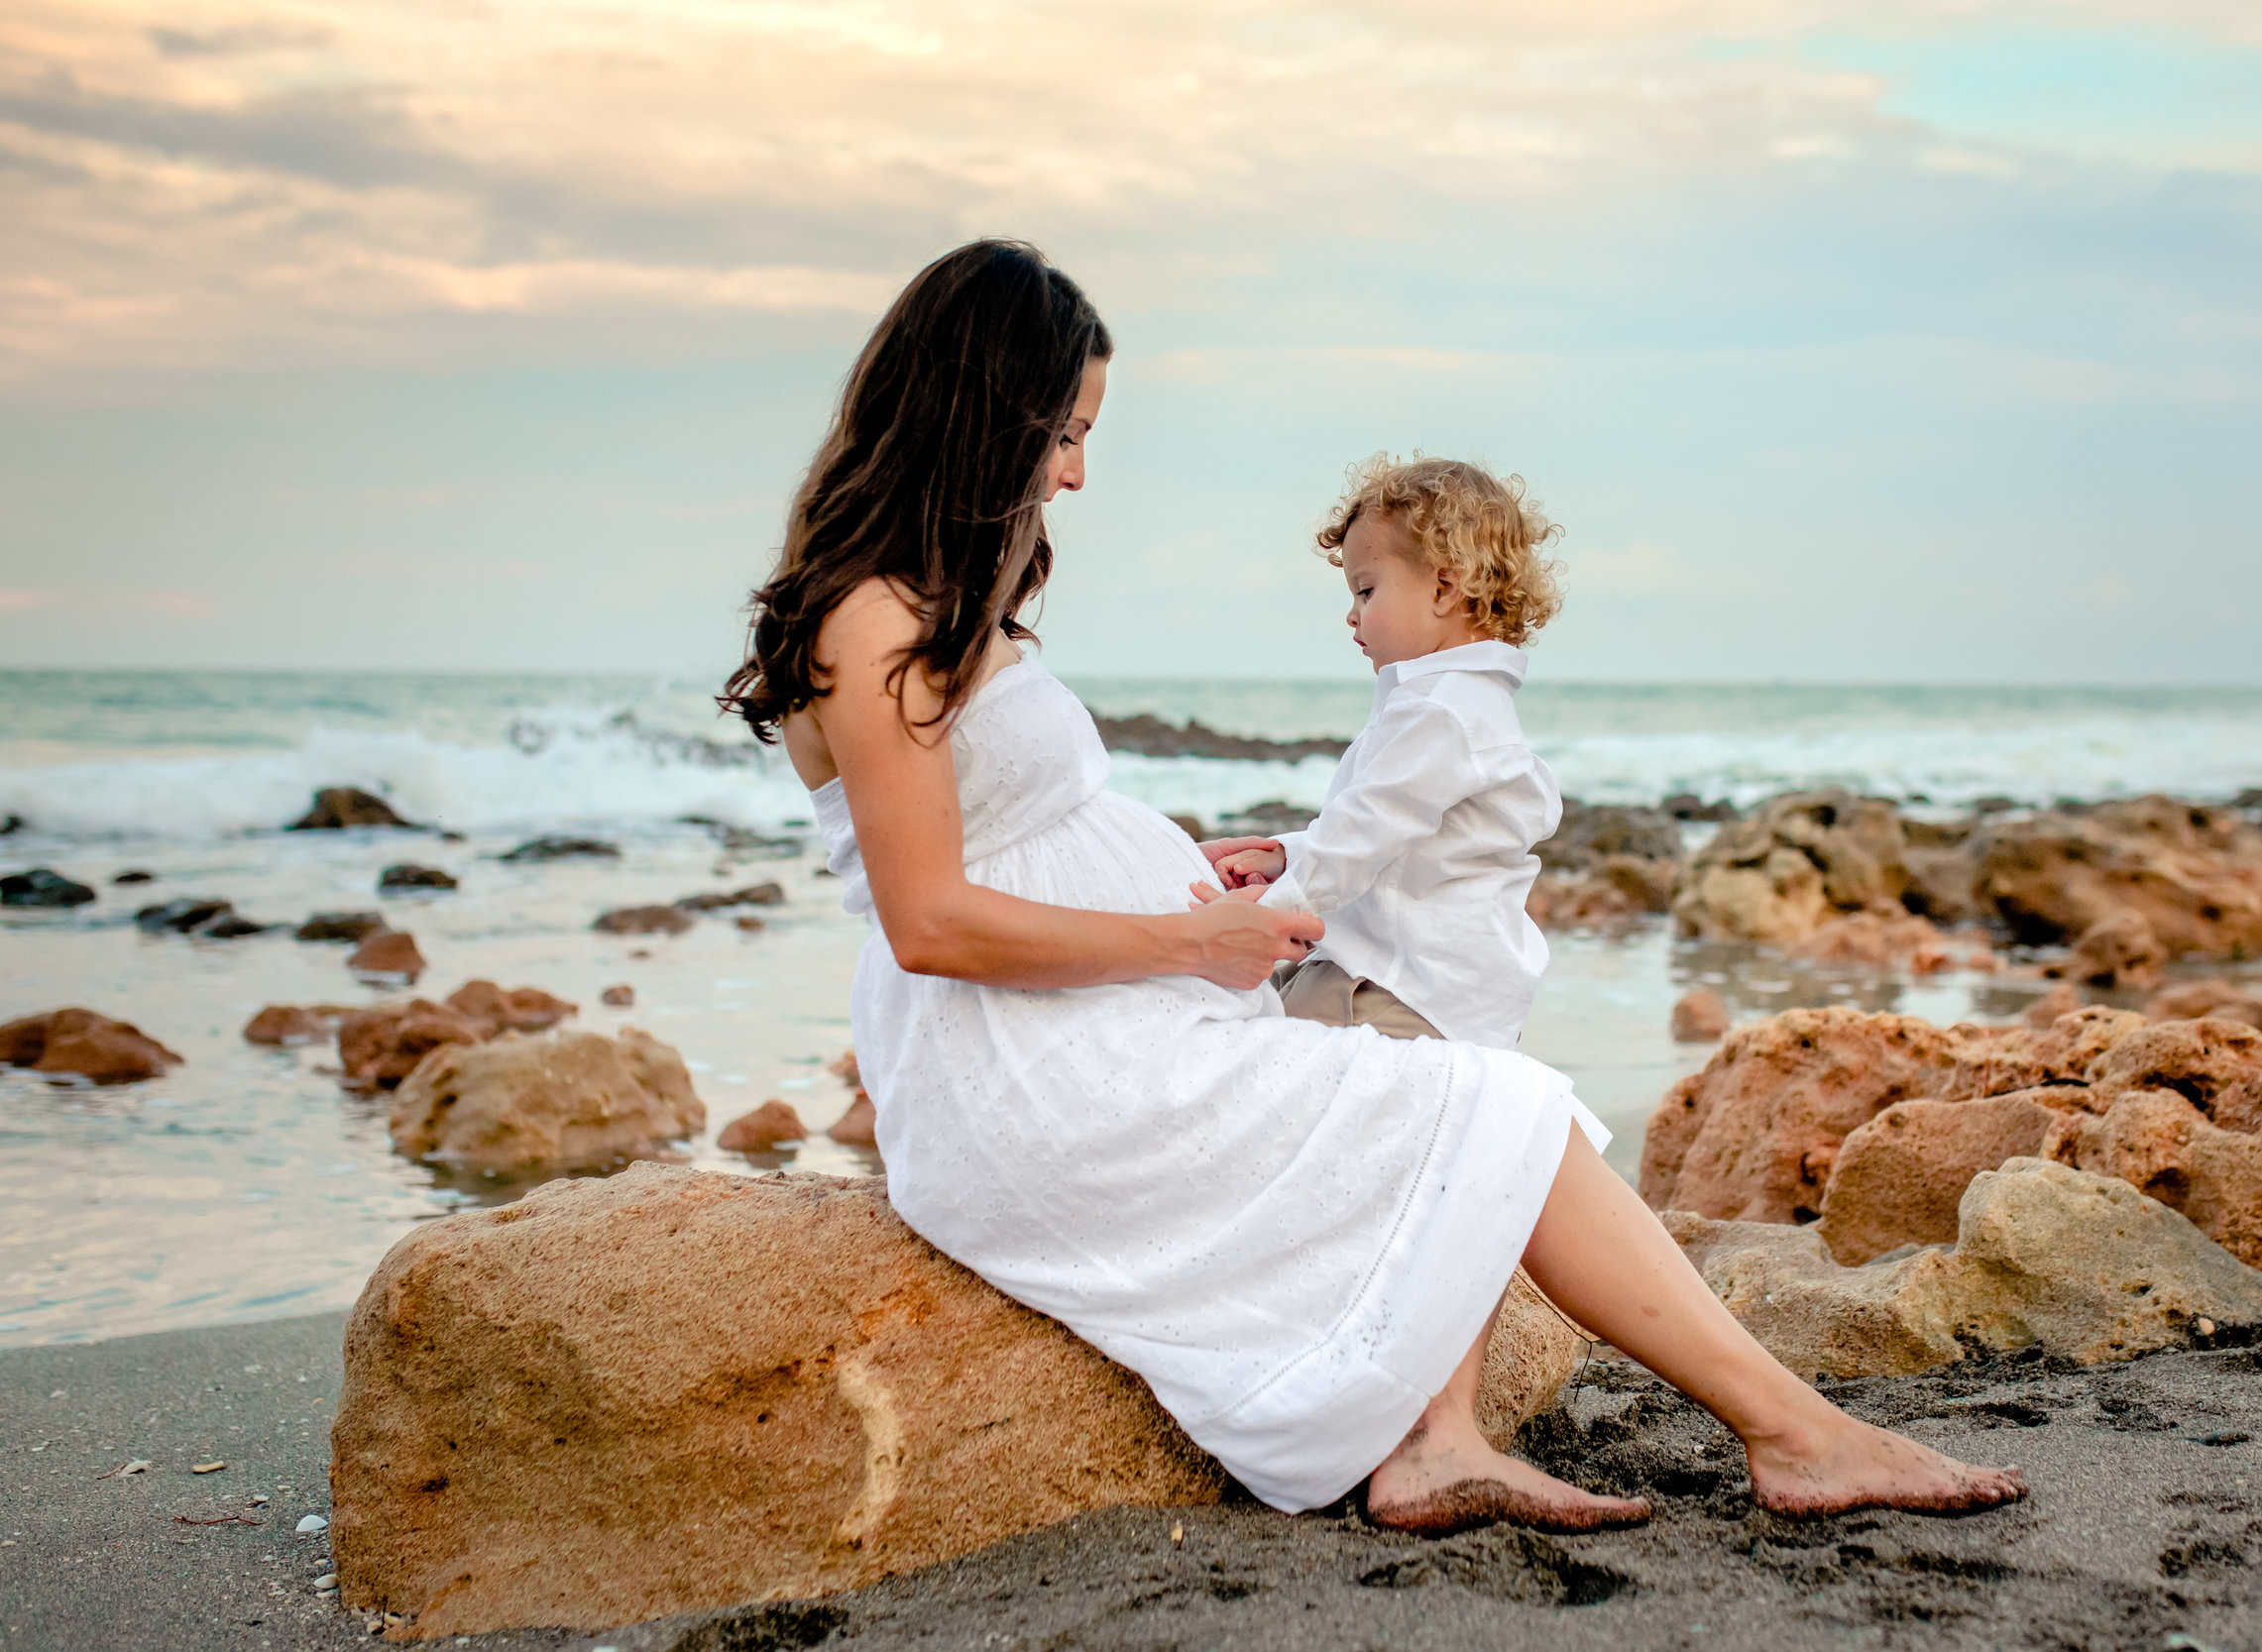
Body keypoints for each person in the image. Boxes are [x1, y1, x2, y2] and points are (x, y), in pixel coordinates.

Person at [722, 238, 2025, 1537]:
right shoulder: (872, 618)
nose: (1072, 470)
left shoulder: (939, 602)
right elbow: (931, 919)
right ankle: (1792, 1432)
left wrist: (1222, 889)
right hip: (1026, 1070)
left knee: (1482, 1102)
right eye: (1060, 431)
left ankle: (1497, 1437)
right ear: (978, 406)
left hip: (1098, 1021)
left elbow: (1031, 831)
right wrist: (1187, 937)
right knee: (1492, 1100)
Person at [1195, 455, 1564, 1050]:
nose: (1351, 614)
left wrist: (1275, 908)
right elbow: (1383, 835)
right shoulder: (1446, 703)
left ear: (1444, 588)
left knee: (1245, 1065)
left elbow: (1369, 829)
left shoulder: (1444, 710)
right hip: (1424, 984)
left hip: (1400, 989)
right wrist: (1285, 855)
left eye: (1366, 590)